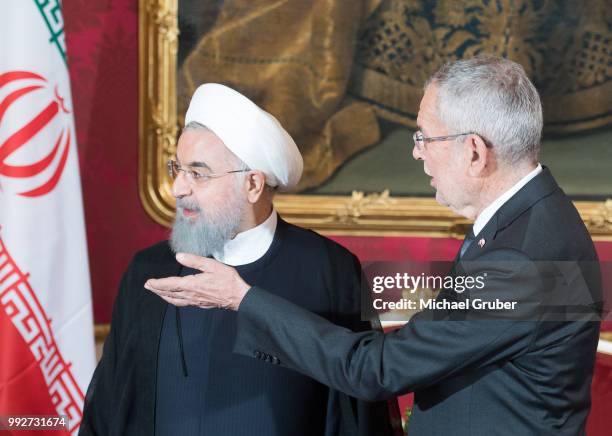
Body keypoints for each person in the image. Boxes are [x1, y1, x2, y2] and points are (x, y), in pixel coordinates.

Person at [146, 56, 603, 435]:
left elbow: (375, 371)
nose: (416, 152)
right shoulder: (531, 218)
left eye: (425, 137)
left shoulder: (519, 261)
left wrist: (241, 298)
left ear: (474, 152)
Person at [80, 83, 398, 436]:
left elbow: (356, 411)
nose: (178, 188)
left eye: (198, 174)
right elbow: (109, 406)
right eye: (178, 169)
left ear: (253, 185)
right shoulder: (149, 270)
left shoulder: (328, 269)